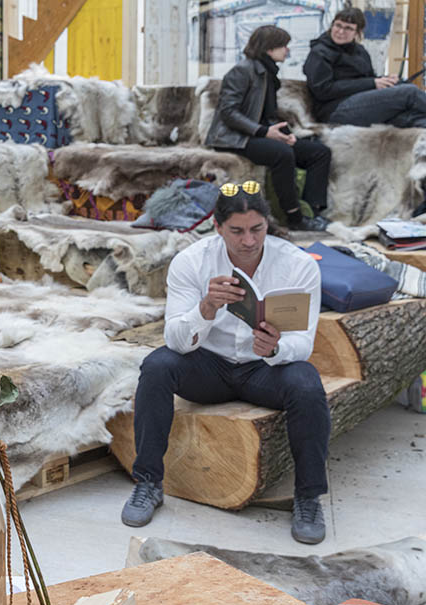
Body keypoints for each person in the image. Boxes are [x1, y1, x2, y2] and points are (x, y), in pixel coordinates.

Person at [120, 184, 330, 545]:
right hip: (209, 367)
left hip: (264, 370)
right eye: (236, 231)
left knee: (307, 384)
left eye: (256, 229)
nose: (248, 240)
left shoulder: (297, 265)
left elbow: (303, 343)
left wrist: (275, 348)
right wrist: (206, 309)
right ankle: (149, 483)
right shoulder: (192, 261)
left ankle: (308, 498)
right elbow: (174, 339)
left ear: (267, 224)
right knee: (156, 366)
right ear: (217, 227)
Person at [205, 25, 332, 232]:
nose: (287, 51)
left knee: (318, 152)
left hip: (255, 135)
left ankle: (312, 212)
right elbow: (228, 113)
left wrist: (284, 135)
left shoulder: (268, 74)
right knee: (282, 154)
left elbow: (266, 116)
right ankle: (294, 217)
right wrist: (265, 133)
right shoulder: (243, 71)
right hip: (232, 138)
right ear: (269, 48)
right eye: (284, 46)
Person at [304, 7, 426, 128]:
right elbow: (323, 90)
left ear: (357, 33)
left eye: (348, 28)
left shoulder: (359, 51)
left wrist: (386, 81)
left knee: (413, 119)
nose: (340, 32)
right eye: (338, 25)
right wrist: (372, 83)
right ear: (332, 26)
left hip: (361, 103)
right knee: (410, 92)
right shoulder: (320, 53)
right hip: (334, 110)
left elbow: (368, 79)